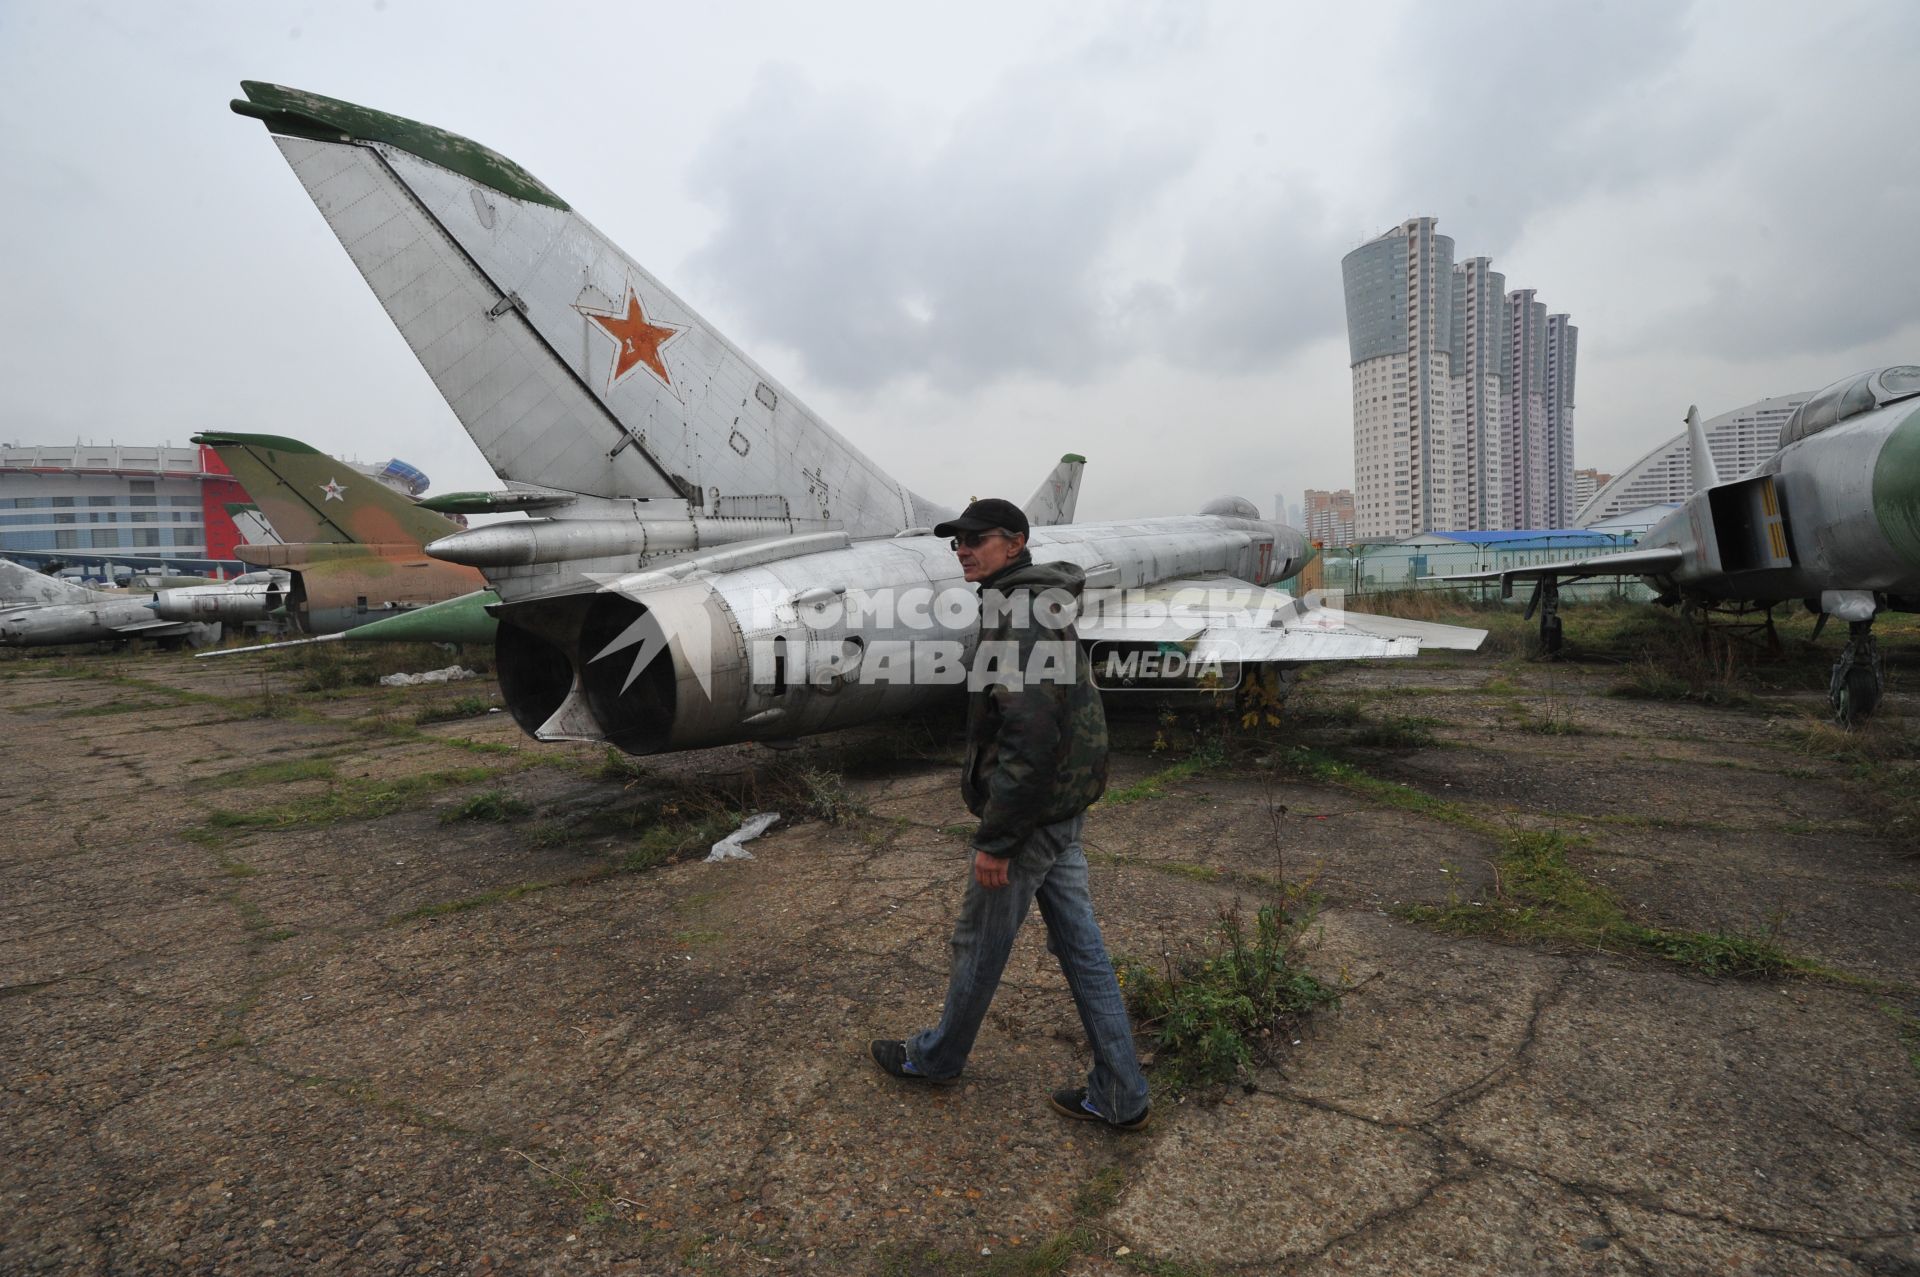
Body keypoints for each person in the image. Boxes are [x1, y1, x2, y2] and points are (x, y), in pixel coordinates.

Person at [869, 497, 1150, 1131]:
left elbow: (1030, 732)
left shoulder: (1021, 614)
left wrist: (997, 840)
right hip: (1057, 812)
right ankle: (1122, 1091)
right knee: (1081, 948)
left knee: (979, 944)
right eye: (956, 541)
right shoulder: (1026, 602)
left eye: (977, 538)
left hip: (1030, 821)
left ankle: (937, 1058)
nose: (964, 549)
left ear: (1015, 543)